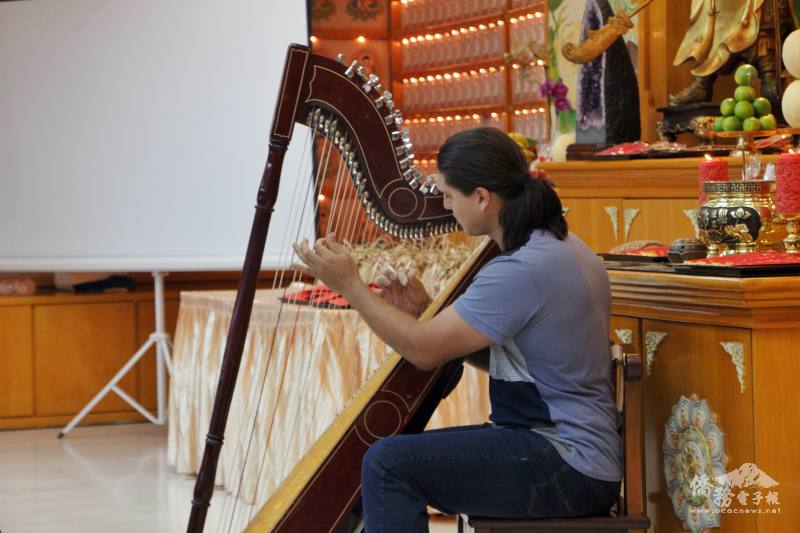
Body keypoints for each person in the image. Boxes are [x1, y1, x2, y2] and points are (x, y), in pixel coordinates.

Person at [292, 127, 622, 532]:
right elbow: (522, 358)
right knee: (391, 458)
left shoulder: (521, 270)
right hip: (574, 455)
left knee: (387, 464)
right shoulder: (562, 246)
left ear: (482, 197)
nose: (446, 206)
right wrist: (425, 312)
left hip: (566, 463)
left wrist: (351, 287)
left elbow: (424, 351)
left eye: (449, 195)